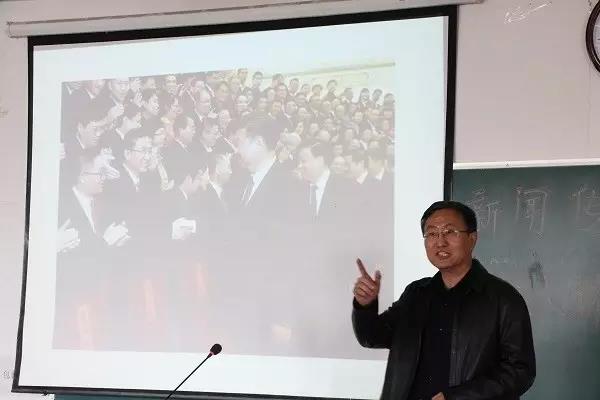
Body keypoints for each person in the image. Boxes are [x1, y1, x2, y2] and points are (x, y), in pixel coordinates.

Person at [352, 201, 536, 400]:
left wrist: (458, 397)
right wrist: (365, 305)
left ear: (472, 239)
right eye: (432, 234)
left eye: (450, 232)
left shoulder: (503, 298)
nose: (440, 242)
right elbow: (372, 337)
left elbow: (520, 372)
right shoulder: (416, 294)